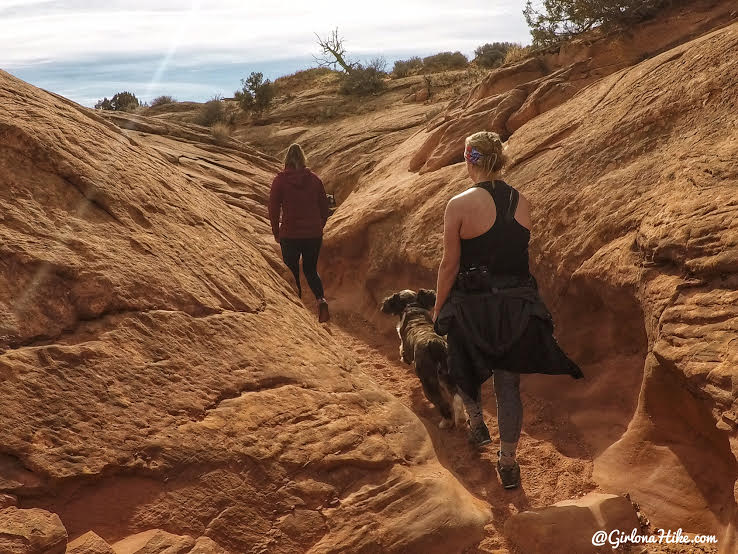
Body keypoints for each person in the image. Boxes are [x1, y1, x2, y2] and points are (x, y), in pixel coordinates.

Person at [432, 131, 584, 489]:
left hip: (472, 306)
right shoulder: (523, 201)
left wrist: (439, 307)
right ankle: (509, 462)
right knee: (508, 386)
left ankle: (476, 424)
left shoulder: (458, 204)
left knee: (461, 364)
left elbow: (449, 266)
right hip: (515, 306)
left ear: (470, 160)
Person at [269, 143, 331, 323]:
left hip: (290, 234)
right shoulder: (314, 179)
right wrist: (319, 225)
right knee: (311, 270)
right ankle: (321, 300)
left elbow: (273, 208)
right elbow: (324, 207)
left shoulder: (280, 180)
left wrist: (276, 231)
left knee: (292, 271)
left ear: (286, 160)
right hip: (313, 234)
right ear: (303, 159)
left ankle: (296, 310)